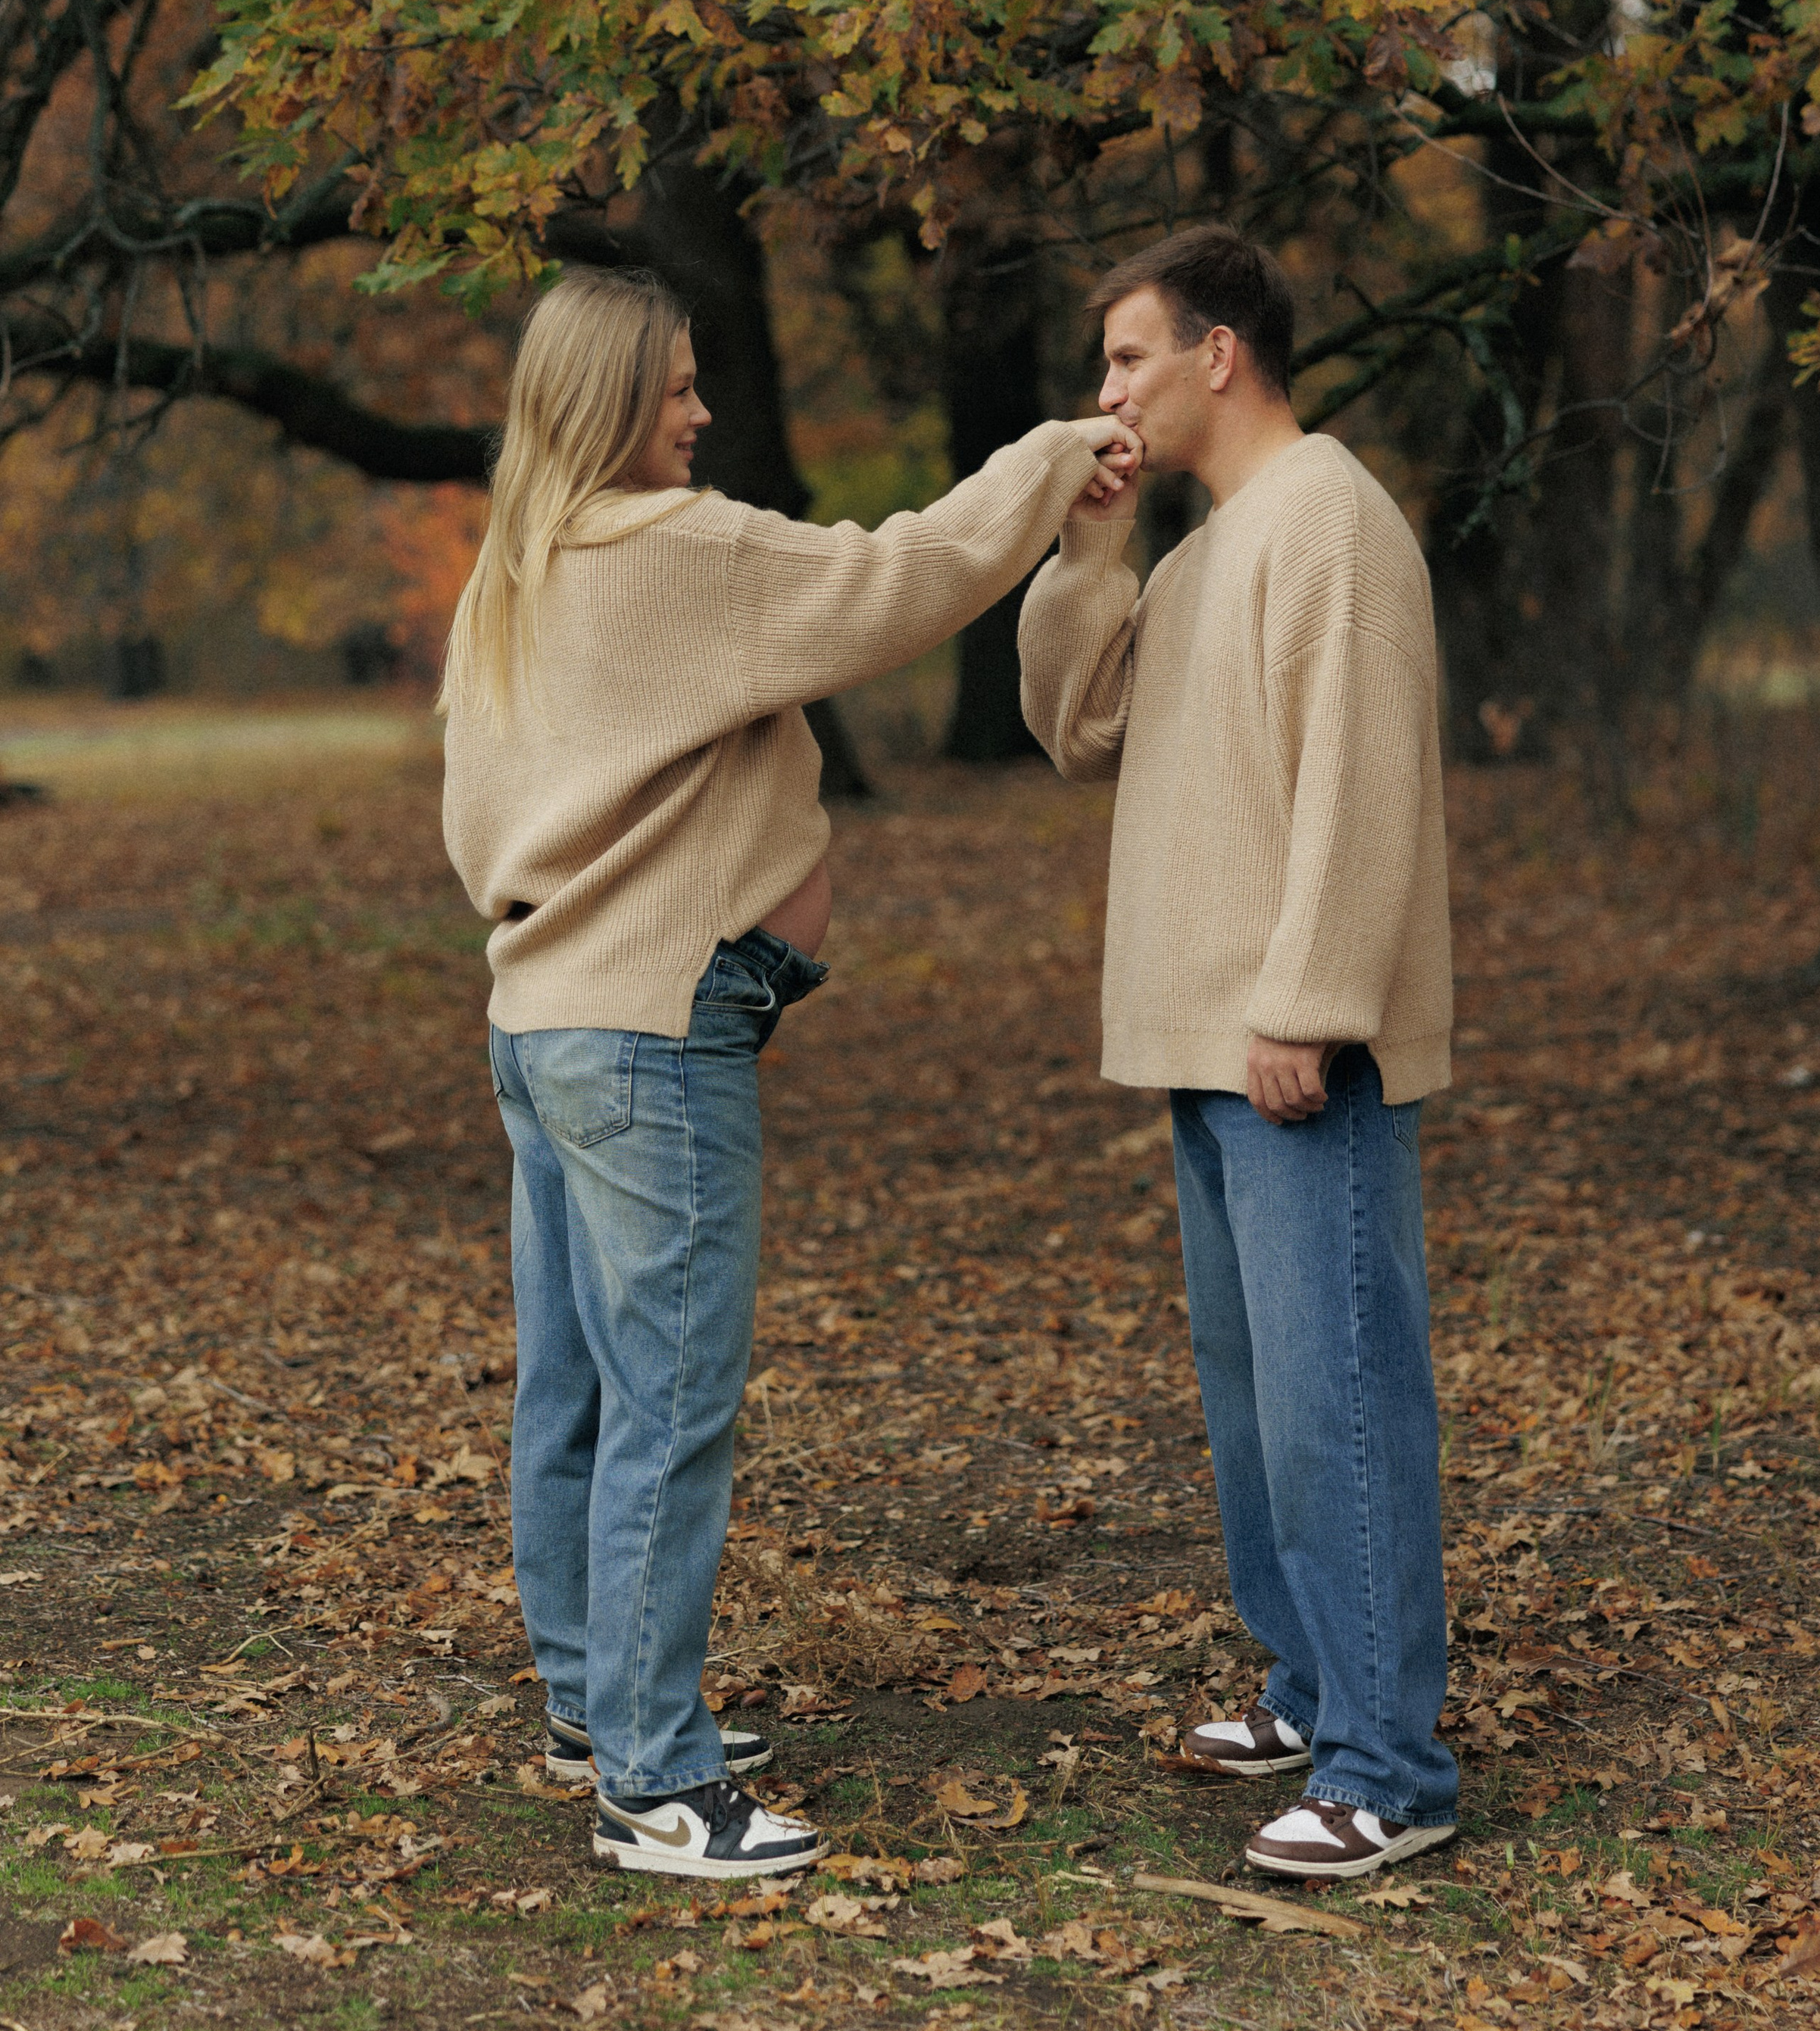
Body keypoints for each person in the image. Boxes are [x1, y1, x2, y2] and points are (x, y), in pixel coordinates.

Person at [442, 264, 1138, 1881]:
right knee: (669, 1400)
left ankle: (594, 1707)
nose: (700, 411)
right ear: (611, 401)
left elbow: (483, 828)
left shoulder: (517, 568)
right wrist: (1054, 458)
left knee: (576, 1388)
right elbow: (903, 577)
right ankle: (654, 1782)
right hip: (644, 1030)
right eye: (677, 386)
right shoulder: (675, 550)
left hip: (544, 1018)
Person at [1018, 225, 1457, 1882]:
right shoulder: (1203, 550)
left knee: (1338, 1394)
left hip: (1288, 1041)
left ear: (1219, 352)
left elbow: (1362, 772)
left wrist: (1313, 998)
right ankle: (1308, 1686)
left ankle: (1386, 1766)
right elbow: (1075, 728)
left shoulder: (1328, 517)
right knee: (1258, 1395)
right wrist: (1090, 547)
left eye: (1129, 355)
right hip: (1201, 1038)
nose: (1109, 388)